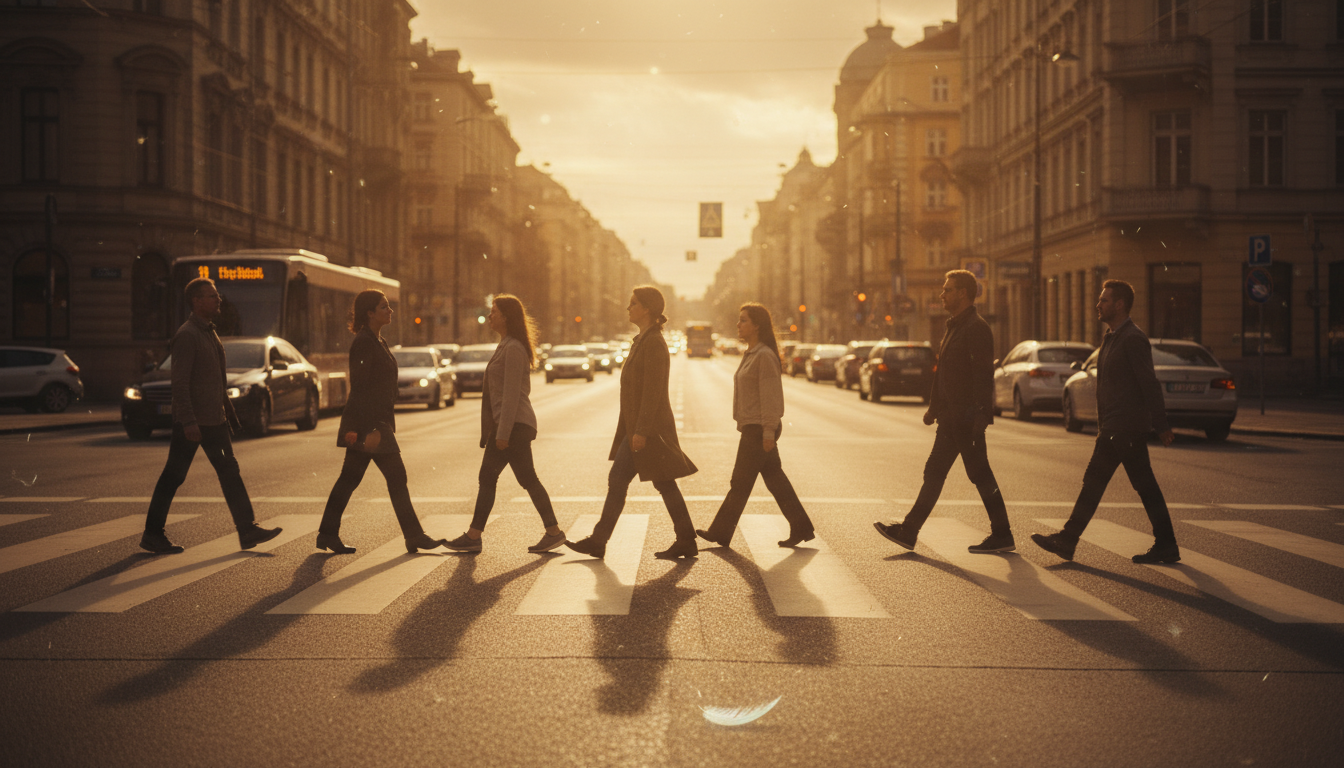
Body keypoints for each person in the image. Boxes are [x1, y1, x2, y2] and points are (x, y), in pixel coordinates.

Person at [1032, 280, 1180, 564]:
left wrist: (1161, 425)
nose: (1098, 305)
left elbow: (1149, 383)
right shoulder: (1112, 338)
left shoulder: (1132, 338)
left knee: (1117, 484)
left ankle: (1069, 539)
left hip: (1125, 426)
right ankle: (1165, 543)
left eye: (1104, 300)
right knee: (1120, 484)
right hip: (1115, 426)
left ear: (1120, 304)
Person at [873, 269, 1015, 554]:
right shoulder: (955, 326)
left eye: (947, 290)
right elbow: (943, 373)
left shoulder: (976, 327)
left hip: (965, 419)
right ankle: (909, 530)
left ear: (963, 293)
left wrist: (981, 417)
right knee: (935, 471)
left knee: (979, 474)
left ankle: (1002, 533)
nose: (942, 294)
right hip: (950, 418)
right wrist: (934, 407)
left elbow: (982, 376)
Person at [140, 277, 281, 554]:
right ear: (196, 301)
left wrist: (228, 412)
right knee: (174, 476)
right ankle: (153, 534)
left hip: (213, 420)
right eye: (212, 296)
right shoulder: (188, 335)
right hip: (193, 422)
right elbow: (180, 383)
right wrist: (189, 421)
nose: (218, 300)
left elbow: (216, 378)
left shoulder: (208, 332)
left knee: (230, 472)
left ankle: (247, 528)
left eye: (217, 296)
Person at [566, 286, 699, 560]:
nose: (628, 308)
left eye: (633, 303)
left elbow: (653, 391)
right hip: (639, 427)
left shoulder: (653, 342)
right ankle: (684, 538)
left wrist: (640, 431)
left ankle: (600, 540)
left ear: (647, 309)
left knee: (626, 480)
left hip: (647, 430)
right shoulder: (641, 339)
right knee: (660, 483)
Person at [315, 290, 447, 555]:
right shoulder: (365, 342)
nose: (390, 311)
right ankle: (414, 535)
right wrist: (362, 429)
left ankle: (327, 533)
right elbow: (361, 387)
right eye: (384, 307)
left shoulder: (377, 340)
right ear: (370, 313)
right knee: (392, 477)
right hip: (371, 425)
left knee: (351, 479)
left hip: (374, 422)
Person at [444, 294, 565, 554]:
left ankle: (475, 536)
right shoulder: (507, 344)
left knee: (494, 477)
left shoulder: (512, 348)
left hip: (513, 426)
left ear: (506, 317)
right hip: (512, 425)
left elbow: (510, 395)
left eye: (495, 312)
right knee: (523, 479)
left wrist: (503, 432)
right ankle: (552, 531)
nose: (490, 316)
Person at [696, 302, 814, 548]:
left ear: (757, 325)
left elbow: (771, 397)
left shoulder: (764, 356)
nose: (738, 325)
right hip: (754, 426)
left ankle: (720, 531)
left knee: (739, 483)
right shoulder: (752, 353)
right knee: (775, 479)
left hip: (759, 428)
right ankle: (801, 526)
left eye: (744, 320)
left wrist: (768, 431)